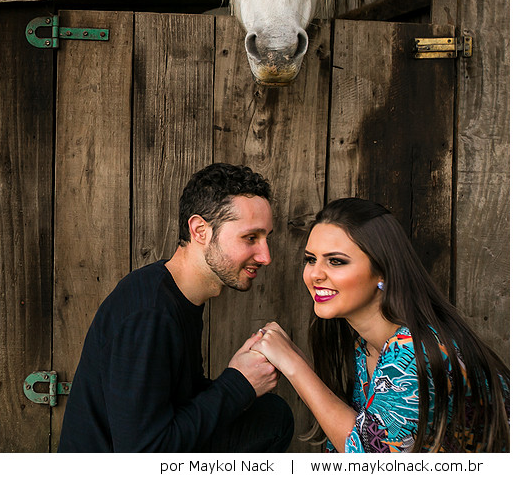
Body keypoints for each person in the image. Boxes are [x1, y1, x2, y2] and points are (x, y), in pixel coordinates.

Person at [58, 162, 294, 452]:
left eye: (266, 238)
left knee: (269, 415)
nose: (266, 256)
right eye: (250, 238)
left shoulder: (180, 297)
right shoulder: (148, 314)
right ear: (200, 230)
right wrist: (239, 384)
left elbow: (174, 404)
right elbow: (142, 455)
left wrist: (246, 373)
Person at [251, 198, 510, 453]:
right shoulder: (365, 345)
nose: (315, 274)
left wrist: (294, 366)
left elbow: (371, 460)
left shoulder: (414, 350)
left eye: (336, 261)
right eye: (310, 259)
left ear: (382, 270)